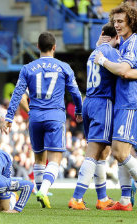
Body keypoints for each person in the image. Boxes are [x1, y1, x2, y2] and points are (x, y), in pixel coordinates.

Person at [2, 31, 82, 208]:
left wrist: (9, 117)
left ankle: (41, 196)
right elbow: (75, 93)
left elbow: (17, 94)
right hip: (55, 116)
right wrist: (79, 110)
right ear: (54, 47)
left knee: (39, 159)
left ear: (37, 47)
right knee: (55, 158)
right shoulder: (64, 67)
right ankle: (43, 191)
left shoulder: (27, 68)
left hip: (35, 117)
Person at [68, 23, 120, 210]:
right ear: (116, 37)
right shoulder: (112, 52)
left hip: (89, 101)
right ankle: (77, 198)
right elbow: (122, 70)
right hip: (102, 102)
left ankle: (102, 198)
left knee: (102, 153)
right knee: (94, 151)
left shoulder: (94, 52)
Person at [95, 2, 137, 211]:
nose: (117, 25)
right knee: (122, 155)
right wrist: (101, 46)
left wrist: (102, 60)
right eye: (115, 22)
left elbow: (123, 71)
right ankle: (125, 201)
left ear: (131, 20)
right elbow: (125, 71)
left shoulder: (134, 42)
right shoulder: (125, 43)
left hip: (129, 102)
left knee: (120, 152)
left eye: (121, 21)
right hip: (122, 102)